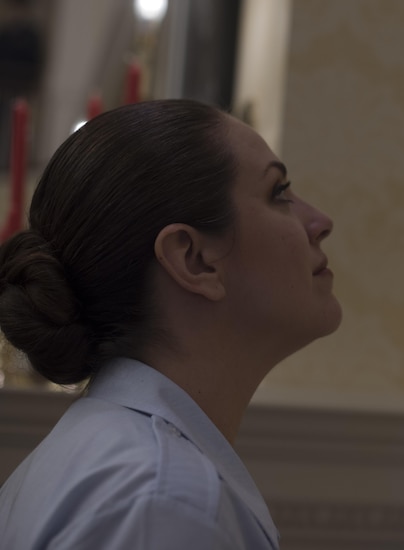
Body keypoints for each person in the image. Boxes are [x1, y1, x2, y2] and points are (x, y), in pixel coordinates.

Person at [0, 99, 342, 549]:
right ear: (193, 259)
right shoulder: (162, 503)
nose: (320, 221)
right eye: (279, 192)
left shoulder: (120, 466)